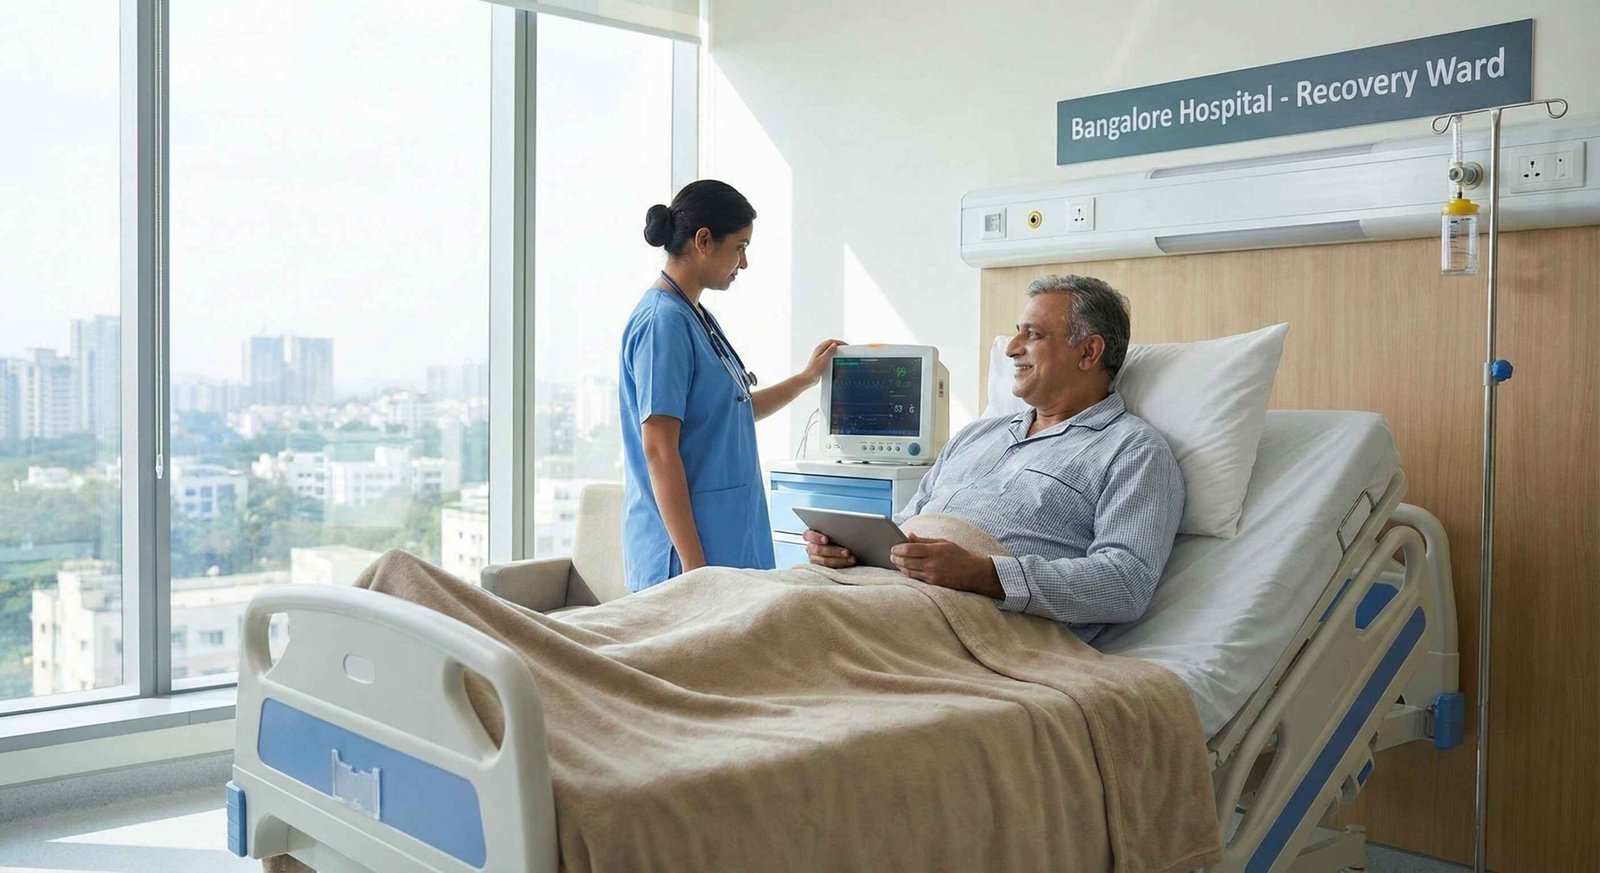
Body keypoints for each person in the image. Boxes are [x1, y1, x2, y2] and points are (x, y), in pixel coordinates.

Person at [803, 274, 1184, 642]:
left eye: (1033, 334)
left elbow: (1125, 583)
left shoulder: (1133, 451)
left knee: (800, 620)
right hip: (886, 588)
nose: (1011, 347)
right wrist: (850, 550)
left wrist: (985, 574)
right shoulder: (977, 435)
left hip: (974, 618)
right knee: (762, 595)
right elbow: (906, 527)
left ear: (1088, 352)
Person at [621, 180, 844, 592]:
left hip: (727, 540)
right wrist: (693, 566)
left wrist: (806, 378)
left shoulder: (694, 316)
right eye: (740, 247)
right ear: (703, 240)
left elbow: (733, 411)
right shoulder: (663, 323)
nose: (743, 263)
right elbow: (658, 449)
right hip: (687, 556)